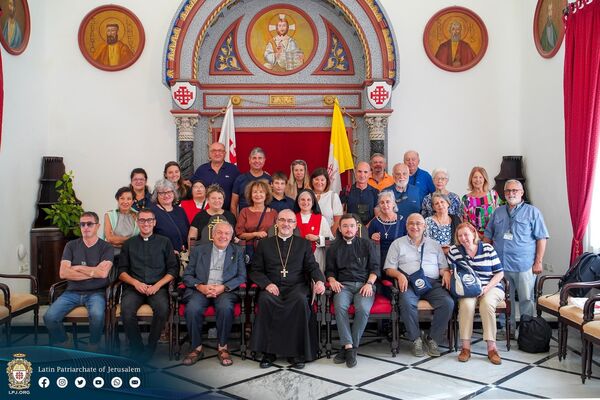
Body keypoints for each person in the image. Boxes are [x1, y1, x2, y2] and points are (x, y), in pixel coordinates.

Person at [249, 209, 326, 369]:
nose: (286, 224)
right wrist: (267, 284)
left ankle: (296, 353)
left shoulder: (303, 244)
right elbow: (255, 270)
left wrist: (319, 280)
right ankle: (268, 353)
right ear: (276, 223)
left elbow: (312, 266)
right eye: (282, 220)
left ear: (295, 225)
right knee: (265, 300)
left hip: (296, 286)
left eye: (290, 221)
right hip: (272, 287)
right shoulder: (264, 244)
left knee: (299, 301)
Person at [384, 213, 454, 357]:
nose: (415, 226)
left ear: (424, 226)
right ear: (406, 226)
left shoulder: (434, 245)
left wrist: (446, 272)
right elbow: (388, 268)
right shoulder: (397, 244)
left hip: (432, 283)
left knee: (448, 303)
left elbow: (443, 267)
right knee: (406, 302)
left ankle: (432, 338)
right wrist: (399, 275)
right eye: (411, 223)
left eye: (418, 223)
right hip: (409, 283)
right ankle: (415, 339)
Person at [484, 180, 549, 333]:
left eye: (514, 190)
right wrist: (486, 259)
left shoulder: (533, 212)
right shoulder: (498, 212)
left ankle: (526, 331)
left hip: (524, 265)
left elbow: (542, 238)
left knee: (526, 299)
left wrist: (538, 262)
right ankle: (507, 330)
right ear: (504, 193)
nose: (511, 193)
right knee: (504, 300)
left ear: (521, 193)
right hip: (501, 266)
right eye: (507, 191)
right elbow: (488, 236)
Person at [44, 212, 113, 351]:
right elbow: (63, 273)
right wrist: (94, 272)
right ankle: (63, 340)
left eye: (89, 224)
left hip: (96, 293)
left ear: (97, 226)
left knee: (98, 315)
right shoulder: (71, 245)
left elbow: (104, 273)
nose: (85, 227)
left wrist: (78, 268)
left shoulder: (106, 247)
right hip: (72, 292)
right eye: (82, 224)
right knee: (49, 317)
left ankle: (94, 344)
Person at [181, 221, 246, 366]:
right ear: (213, 235)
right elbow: (187, 276)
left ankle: (223, 347)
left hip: (225, 290)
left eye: (227, 233)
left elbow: (242, 276)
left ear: (231, 236)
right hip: (201, 288)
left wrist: (223, 287)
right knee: (192, 308)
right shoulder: (199, 250)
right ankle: (196, 348)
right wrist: (200, 286)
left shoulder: (237, 251)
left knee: (225, 308)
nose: (223, 236)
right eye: (219, 233)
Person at [118, 208, 178, 361]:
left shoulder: (165, 242)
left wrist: (158, 285)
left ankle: (151, 346)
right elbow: (121, 271)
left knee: (163, 308)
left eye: (149, 220)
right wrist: (135, 283)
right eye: (142, 220)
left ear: (154, 222)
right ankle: (137, 347)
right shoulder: (129, 244)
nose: (146, 223)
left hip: (157, 287)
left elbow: (173, 269)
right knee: (126, 310)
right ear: (137, 222)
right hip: (134, 287)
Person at [326, 214, 380, 368]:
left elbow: (375, 268)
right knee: (340, 307)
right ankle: (350, 348)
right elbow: (329, 270)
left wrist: (369, 283)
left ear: (357, 228)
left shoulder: (367, 244)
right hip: (343, 285)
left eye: (351, 226)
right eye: (345, 226)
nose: (348, 229)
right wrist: (332, 280)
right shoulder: (334, 247)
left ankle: (348, 347)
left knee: (362, 308)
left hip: (365, 284)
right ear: (340, 228)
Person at [448, 222, 505, 365]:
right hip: (468, 288)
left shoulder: (487, 248)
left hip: (491, 287)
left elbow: (499, 273)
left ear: (473, 233)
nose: (463, 238)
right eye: (460, 236)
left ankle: (492, 349)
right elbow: (451, 272)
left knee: (487, 305)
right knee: (466, 305)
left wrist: (485, 289)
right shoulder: (454, 251)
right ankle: (465, 348)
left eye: (466, 234)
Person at [235, 180, 278, 264]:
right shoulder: (244, 211)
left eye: (261, 192)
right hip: (249, 252)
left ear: (266, 195)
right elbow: (239, 234)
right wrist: (255, 234)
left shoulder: (273, 213)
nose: (258, 195)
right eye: (255, 192)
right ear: (250, 195)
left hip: (268, 251)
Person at [368, 191, 407, 280]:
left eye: (388, 201)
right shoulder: (374, 222)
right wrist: (372, 238)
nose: (385, 205)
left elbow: (408, 242)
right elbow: (367, 244)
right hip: (379, 260)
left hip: (398, 261)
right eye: (382, 202)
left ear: (393, 203)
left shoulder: (402, 221)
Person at [191, 142, 240, 211]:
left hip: (227, 213)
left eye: (220, 151)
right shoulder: (201, 170)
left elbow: (238, 192)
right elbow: (192, 187)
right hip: (206, 213)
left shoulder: (233, 170)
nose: (217, 153)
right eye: (214, 151)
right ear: (209, 154)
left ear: (225, 153)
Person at [294, 189, 332, 272]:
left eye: (309, 200)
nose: (305, 202)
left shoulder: (321, 219)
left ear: (313, 202)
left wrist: (317, 239)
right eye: (302, 199)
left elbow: (331, 242)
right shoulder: (292, 218)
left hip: (317, 258)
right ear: (298, 201)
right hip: (296, 258)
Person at [103, 187, 139, 271]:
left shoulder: (138, 216)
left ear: (133, 201)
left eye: (129, 199)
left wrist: (118, 241)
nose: (125, 202)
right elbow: (109, 238)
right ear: (117, 200)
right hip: (112, 254)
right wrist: (131, 241)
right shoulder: (109, 215)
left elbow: (140, 240)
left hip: (132, 254)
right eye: (122, 198)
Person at [151, 179, 189, 253]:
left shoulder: (180, 210)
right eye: (162, 193)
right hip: (163, 256)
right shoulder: (152, 212)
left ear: (174, 193)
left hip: (183, 257)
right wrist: (169, 251)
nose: (166, 195)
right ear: (156, 195)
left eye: (169, 192)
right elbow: (149, 238)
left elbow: (189, 232)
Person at [231, 147, 271, 216]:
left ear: (264, 160)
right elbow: (233, 204)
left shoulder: (269, 180)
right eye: (254, 158)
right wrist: (236, 222)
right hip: (244, 222)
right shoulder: (240, 179)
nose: (257, 161)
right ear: (249, 160)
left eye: (260, 158)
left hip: (264, 221)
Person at [462, 166, 500, 238]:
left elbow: (499, 216)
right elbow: (465, 221)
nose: (477, 180)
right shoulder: (466, 198)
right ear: (471, 179)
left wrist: (488, 235)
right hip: (474, 236)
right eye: (475, 177)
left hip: (493, 235)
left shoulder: (493, 195)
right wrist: (478, 235)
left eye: (480, 177)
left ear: (485, 179)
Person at [310, 167, 343, 236]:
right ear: (312, 181)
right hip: (309, 236)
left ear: (327, 181)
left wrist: (330, 238)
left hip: (327, 237)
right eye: (316, 179)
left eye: (322, 180)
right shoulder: (307, 195)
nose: (319, 182)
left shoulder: (333, 196)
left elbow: (338, 220)